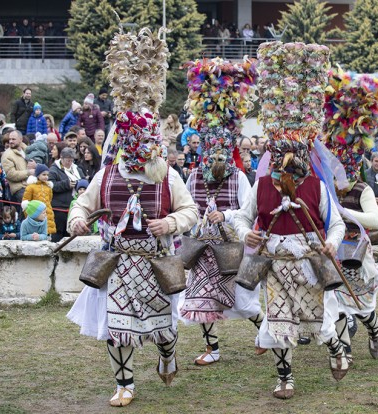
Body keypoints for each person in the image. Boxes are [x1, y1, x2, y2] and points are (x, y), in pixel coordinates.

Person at [67, 27, 199, 408]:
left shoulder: (168, 175)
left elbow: (189, 210)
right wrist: (78, 219)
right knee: (116, 329)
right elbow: (83, 204)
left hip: (156, 262)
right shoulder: (106, 174)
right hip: (116, 263)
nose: (138, 150)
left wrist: (170, 223)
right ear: (123, 142)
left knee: (162, 328)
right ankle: (125, 384)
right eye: (132, 143)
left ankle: (167, 355)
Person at [234, 42, 349, 399]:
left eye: (292, 153)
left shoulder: (316, 186)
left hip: (309, 264)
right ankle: (285, 378)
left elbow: (336, 224)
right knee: (278, 322)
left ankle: (336, 350)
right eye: (279, 152)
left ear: (303, 153)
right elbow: (242, 217)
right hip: (275, 265)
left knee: (318, 321)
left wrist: (331, 242)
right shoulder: (262, 185)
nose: (285, 159)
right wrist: (246, 235)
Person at [179, 64, 264, 366]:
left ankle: (263, 331)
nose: (215, 160)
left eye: (221, 154)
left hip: (230, 249)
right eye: (210, 154)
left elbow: (247, 212)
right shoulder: (192, 178)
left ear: (229, 153)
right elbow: (186, 209)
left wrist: (225, 215)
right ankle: (212, 348)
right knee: (200, 299)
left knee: (243, 300)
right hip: (202, 249)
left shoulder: (239, 177)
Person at [321, 70, 378, 364]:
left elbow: (375, 222)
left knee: (363, 306)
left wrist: (344, 212)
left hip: (358, 252)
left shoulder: (362, 188)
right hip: (334, 252)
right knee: (336, 302)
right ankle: (345, 350)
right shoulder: (326, 188)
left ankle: (374, 331)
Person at [49, 147, 84, 242]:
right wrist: (66, 184)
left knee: (70, 234)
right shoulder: (53, 170)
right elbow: (51, 185)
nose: (70, 163)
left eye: (72, 160)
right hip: (59, 207)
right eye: (68, 160)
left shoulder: (77, 169)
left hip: (73, 206)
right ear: (61, 158)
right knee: (58, 233)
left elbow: (84, 181)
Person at [1, 129, 36, 205]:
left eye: (13, 139)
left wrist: (35, 165)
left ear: (21, 139)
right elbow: (10, 174)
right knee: (26, 212)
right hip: (19, 189)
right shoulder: (7, 155)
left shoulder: (27, 150)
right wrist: (28, 172)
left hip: (33, 185)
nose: (10, 141)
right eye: (10, 139)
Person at [22, 163, 56, 236]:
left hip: (47, 215)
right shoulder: (31, 187)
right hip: (35, 217)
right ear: (38, 175)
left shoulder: (48, 187)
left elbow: (49, 200)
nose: (46, 177)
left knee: (47, 236)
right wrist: (29, 217)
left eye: (47, 175)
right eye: (44, 175)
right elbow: (26, 203)